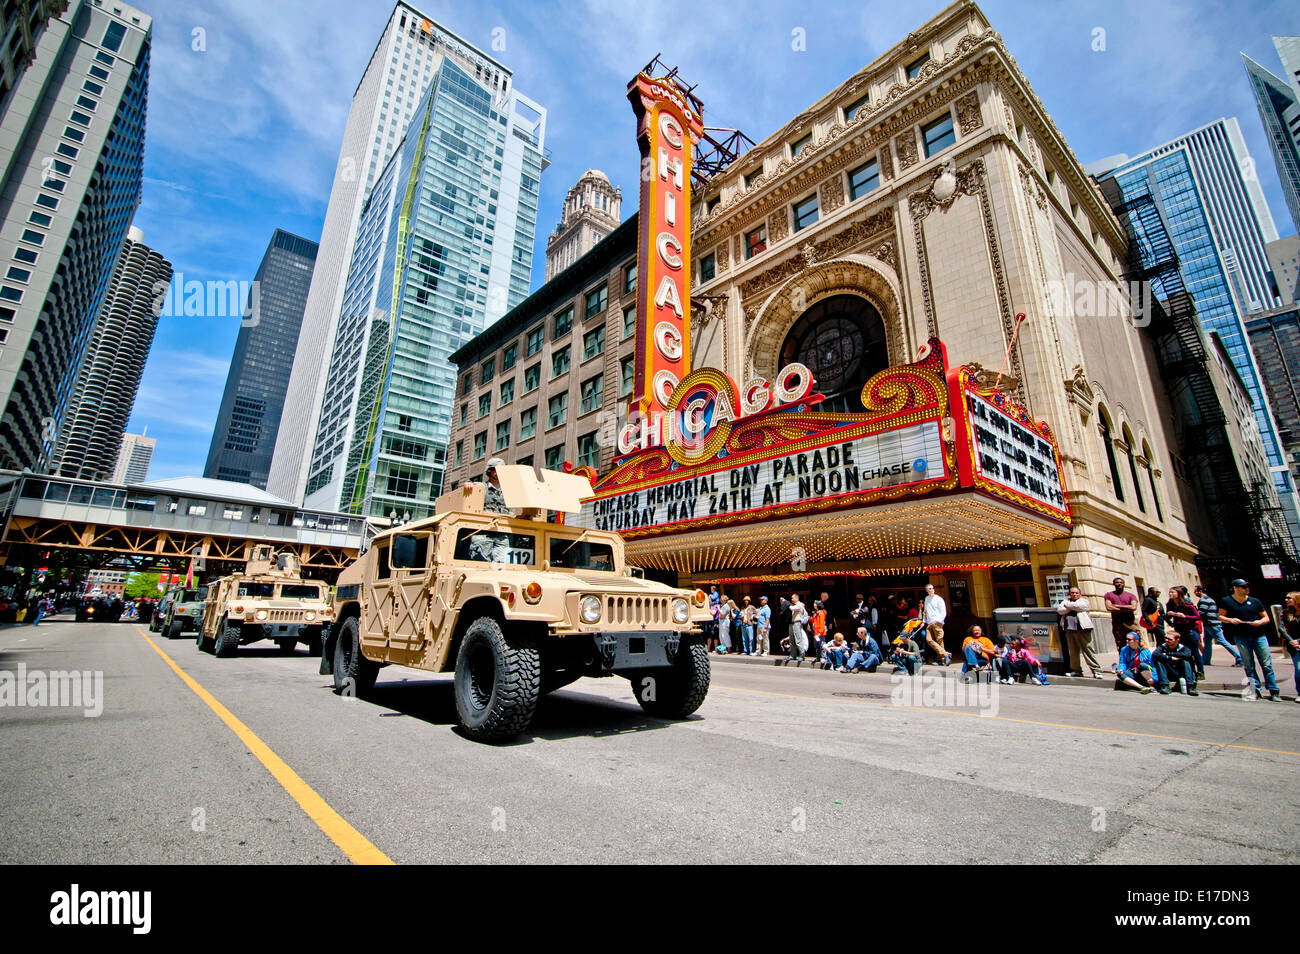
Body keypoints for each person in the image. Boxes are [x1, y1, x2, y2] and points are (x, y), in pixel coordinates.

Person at [1219, 579, 1279, 701]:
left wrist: (1260, 622)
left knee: (1266, 664)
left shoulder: (1255, 601)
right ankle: (1255, 689)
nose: (1247, 589)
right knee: (1249, 665)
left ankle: (1273, 690)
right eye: (1243, 587)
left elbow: (1266, 618)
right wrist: (1231, 620)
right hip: (1241, 637)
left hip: (1259, 636)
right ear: (1235, 588)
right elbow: (1220, 616)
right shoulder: (1226, 601)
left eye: (1247, 586)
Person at [1057, 586, 1105, 678]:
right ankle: (1076, 671)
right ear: (1069, 594)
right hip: (1070, 629)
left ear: (1080, 594)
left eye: (1076, 593)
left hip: (1083, 629)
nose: (1074, 594)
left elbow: (1080, 606)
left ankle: (1096, 670)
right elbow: (1060, 610)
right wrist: (1071, 606)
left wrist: (1068, 606)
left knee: (1088, 650)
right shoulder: (1066, 601)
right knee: (1073, 651)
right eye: (1072, 593)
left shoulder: (1084, 601)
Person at [1195, 584, 1242, 668]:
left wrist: (1193, 614)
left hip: (1211, 624)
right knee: (1207, 642)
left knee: (1221, 641)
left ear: (1200, 591)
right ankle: (1205, 660)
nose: (1194, 593)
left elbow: (1201, 612)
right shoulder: (1209, 599)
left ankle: (1239, 658)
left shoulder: (1204, 600)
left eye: (1195, 591)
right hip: (1209, 624)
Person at [1165, 586, 1204, 678]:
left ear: (1179, 594)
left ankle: (1201, 672)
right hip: (1179, 632)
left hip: (1190, 631)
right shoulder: (1170, 604)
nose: (1170, 594)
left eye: (1173, 592)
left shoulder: (1187, 604)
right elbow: (1166, 617)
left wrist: (1185, 616)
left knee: (1195, 652)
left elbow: (1198, 616)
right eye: (1169, 592)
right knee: (1185, 653)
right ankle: (1191, 672)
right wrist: (1168, 615)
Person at [1152, 630, 1199, 695]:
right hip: (1168, 672)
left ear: (1177, 640)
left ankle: (1190, 686)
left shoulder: (1183, 648)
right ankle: (1165, 686)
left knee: (1185, 661)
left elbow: (1187, 654)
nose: (1166, 640)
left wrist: (1168, 654)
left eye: (1169, 639)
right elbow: (1155, 654)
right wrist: (1170, 658)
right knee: (1159, 660)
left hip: (1181, 672)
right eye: (1166, 638)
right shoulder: (1163, 646)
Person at [1104, 578, 1138, 652]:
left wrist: (1117, 606)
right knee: (1121, 644)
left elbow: (1133, 607)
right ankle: (1123, 661)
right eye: (1117, 582)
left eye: (1121, 582)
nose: (1119, 584)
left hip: (1130, 622)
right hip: (1118, 624)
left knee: (1136, 640)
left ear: (1124, 584)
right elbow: (1109, 607)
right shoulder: (1109, 595)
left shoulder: (1131, 595)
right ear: (1113, 584)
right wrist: (1127, 607)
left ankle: (1137, 660)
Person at [921, 583, 950, 665]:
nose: (931, 590)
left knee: (939, 641)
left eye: (932, 588)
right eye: (929, 588)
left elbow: (943, 612)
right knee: (929, 640)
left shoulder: (939, 599)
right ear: (926, 590)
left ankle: (943, 660)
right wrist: (924, 621)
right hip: (929, 623)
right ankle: (945, 654)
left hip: (937, 623)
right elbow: (925, 611)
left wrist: (937, 621)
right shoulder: (926, 598)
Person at [1282, 591, 1299, 703]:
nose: (1286, 600)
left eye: (1289, 598)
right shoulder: (1286, 613)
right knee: (1299, 669)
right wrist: (1291, 641)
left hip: (1297, 642)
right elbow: (1281, 628)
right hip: (1294, 645)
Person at [786, 594, 809, 666]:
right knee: (792, 640)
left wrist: (786, 604)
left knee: (798, 639)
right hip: (791, 623)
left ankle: (802, 655)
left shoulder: (800, 605)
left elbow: (792, 608)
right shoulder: (793, 605)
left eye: (792, 598)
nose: (791, 599)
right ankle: (793, 655)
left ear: (796, 598)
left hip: (797, 623)